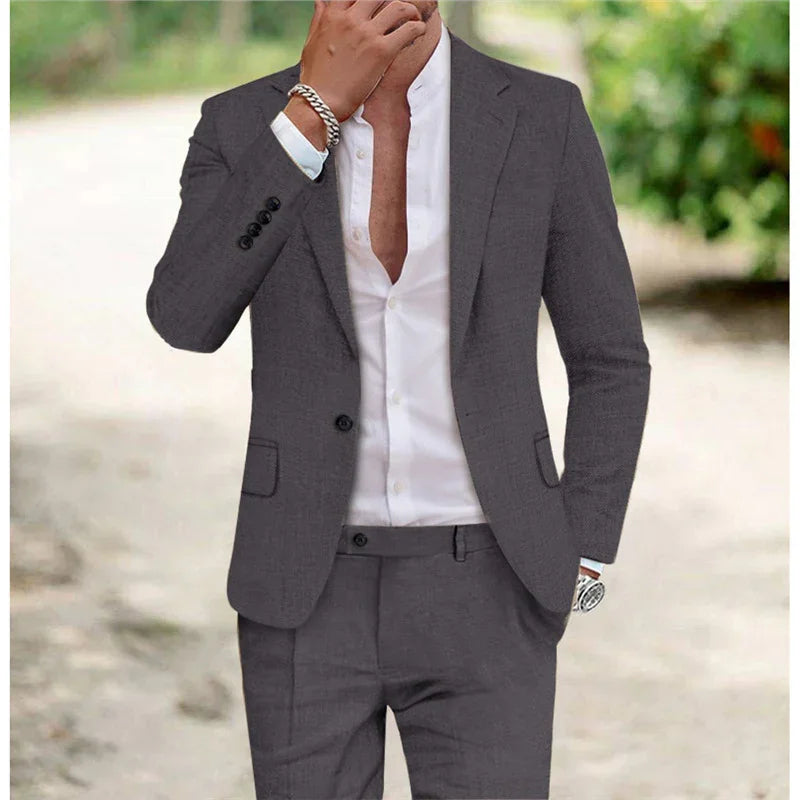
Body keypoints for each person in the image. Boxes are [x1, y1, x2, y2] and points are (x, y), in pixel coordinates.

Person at [145, 1, 651, 797]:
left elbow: (610, 356)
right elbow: (185, 316)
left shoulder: (541, 117)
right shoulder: (243, 125)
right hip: (303, 589)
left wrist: (579, 552)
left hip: (492, 584)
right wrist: (311, 114)